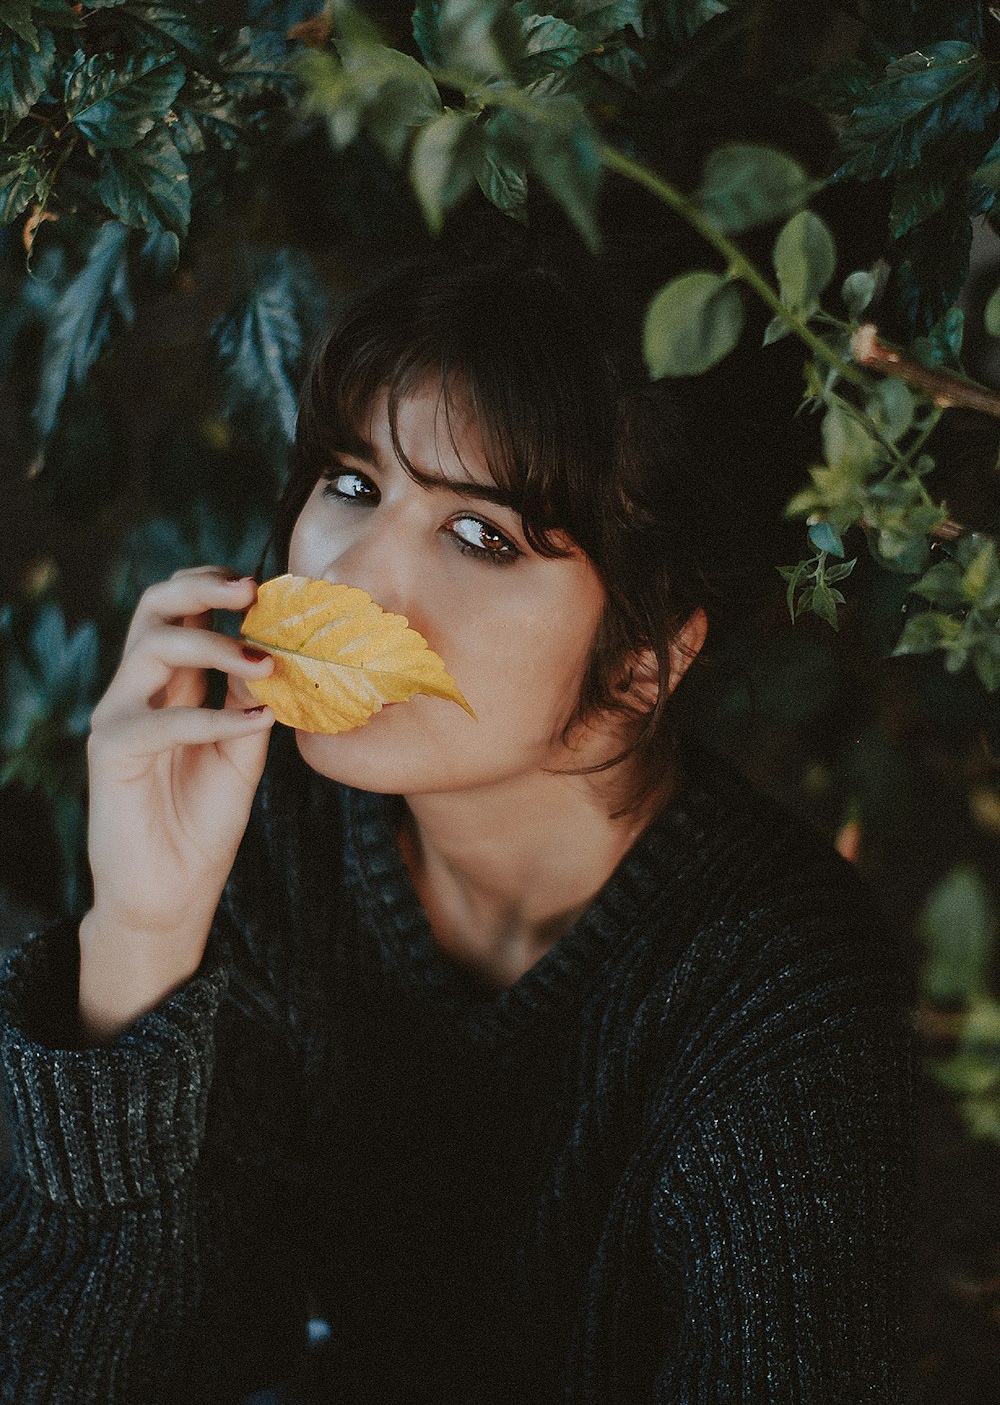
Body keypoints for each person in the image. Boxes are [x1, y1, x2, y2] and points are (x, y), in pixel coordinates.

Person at [0, 245, 911, 1404]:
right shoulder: (261, 830)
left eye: (482, 536)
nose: (353, 582)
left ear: (639, 664)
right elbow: (99, 1374)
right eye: (351, 483)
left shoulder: (775, 998)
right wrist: (140, 935)